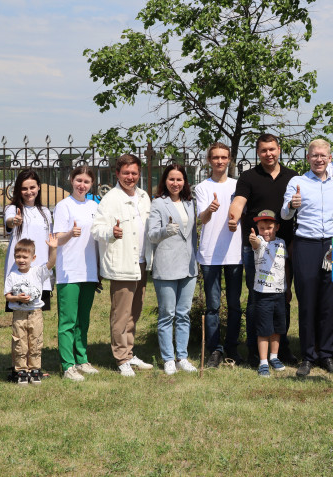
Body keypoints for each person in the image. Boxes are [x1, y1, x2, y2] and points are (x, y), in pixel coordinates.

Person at [228, 134, 297, 366]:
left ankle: (281, 350)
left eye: (272, 149)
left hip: (284, 247)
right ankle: (255, 352)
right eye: (264, 150)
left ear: (279, 149)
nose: (269, 154)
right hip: (255, 248)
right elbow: (239, 201)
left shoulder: (292, 177)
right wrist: (233, 217)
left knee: (283, 297)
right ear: (258, 153)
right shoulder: (249, 176)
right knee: (257, 299)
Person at [282, 138, 333, 377]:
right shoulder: (297, 182)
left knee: (329, 302)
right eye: (315, 155)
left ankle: (326, 355)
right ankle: (308, 356)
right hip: (305, 245)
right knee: (307, 301)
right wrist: (291, 204)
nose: (319, 159)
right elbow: (284, 215)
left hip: (331, 245)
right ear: (308, 158)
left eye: (323, 155)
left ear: (330, 158)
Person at [92, 154, 154, 377]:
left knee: (134, 312)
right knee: (121, 313)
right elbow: (96, 229)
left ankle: (129, 351)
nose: (130, 177)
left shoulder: (144, 196)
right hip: (122, 264)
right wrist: (111, 232)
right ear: (117, 174)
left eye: (134, 173)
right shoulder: (111, 199)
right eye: (126, 173)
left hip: (140, 262)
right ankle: (120, 358)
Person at [148, 164, 199, 375]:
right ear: (165, 181)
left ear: (185, 182)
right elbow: (151, 235)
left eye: (179, 180)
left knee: (183, 314)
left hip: (188, 267)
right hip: (167, 266)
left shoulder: (190, 203)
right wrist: (165, 231)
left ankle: (182, 357)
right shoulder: (158, 203)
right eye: (171, 179)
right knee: (167, 314)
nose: (175, 183)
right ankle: (168, 358)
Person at [196, 143, 243, 369]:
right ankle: (215, 349)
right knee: (213, 306)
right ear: (209, 160)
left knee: (234, 305)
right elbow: (202, 219)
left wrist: (235, 222)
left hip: (234, 252)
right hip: (210, 255)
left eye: (224, 157)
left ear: (229, 160)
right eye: (215, 157)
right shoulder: (203, 187)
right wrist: (210, 210)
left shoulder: (238, 185)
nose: (220, 161)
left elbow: (243, 213)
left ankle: (232, 347)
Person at [53, 165, 100, 382]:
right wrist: (70, 233)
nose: (82, 185)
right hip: (69, 271)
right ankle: (67, 364)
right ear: (71, 180)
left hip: (89, 270)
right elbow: (57, 239)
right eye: (79, 180)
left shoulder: (94, 205)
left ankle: (82, 359)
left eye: (87, 182)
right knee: (68, 320)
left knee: (83, 319)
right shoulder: (63, 206)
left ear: (92, 184)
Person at [4, 235, 58, 385]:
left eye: (25, 257)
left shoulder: (37, 272)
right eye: (18, 256)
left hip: (35, 313)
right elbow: (7, 296)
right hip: (19, 314)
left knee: (35, 341)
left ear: (33, 258)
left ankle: (34, 370)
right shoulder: (12, 275)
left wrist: (53, 248)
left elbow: (51, 263)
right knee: (20, 342)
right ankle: (21, 371)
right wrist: (17, 299)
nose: (21, 260)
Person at [4, 169, 53, 311]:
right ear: (18, 190)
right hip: (19, 272)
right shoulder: (12, 208)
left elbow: (50, 240)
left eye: (32, 187)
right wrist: (14, 221)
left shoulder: (45, 212)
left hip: (40, 272)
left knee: (37, 318)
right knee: (19, 319)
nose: (29, 192)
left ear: (38, 187)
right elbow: (9, 221)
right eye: (24, 188)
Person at [248, 210, 289, 377]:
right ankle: (263, 361)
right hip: (263, 294)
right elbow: (256, 245)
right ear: (257, 228)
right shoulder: (259, 243)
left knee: (277, 328)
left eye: (269, 227)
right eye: (262, 227)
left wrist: (288, 287)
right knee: (264, 329)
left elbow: (285, 265)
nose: (266, 231)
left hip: (280, 293)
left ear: (277, 227)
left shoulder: (282, 243)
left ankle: (274, 357)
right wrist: (254, 240)